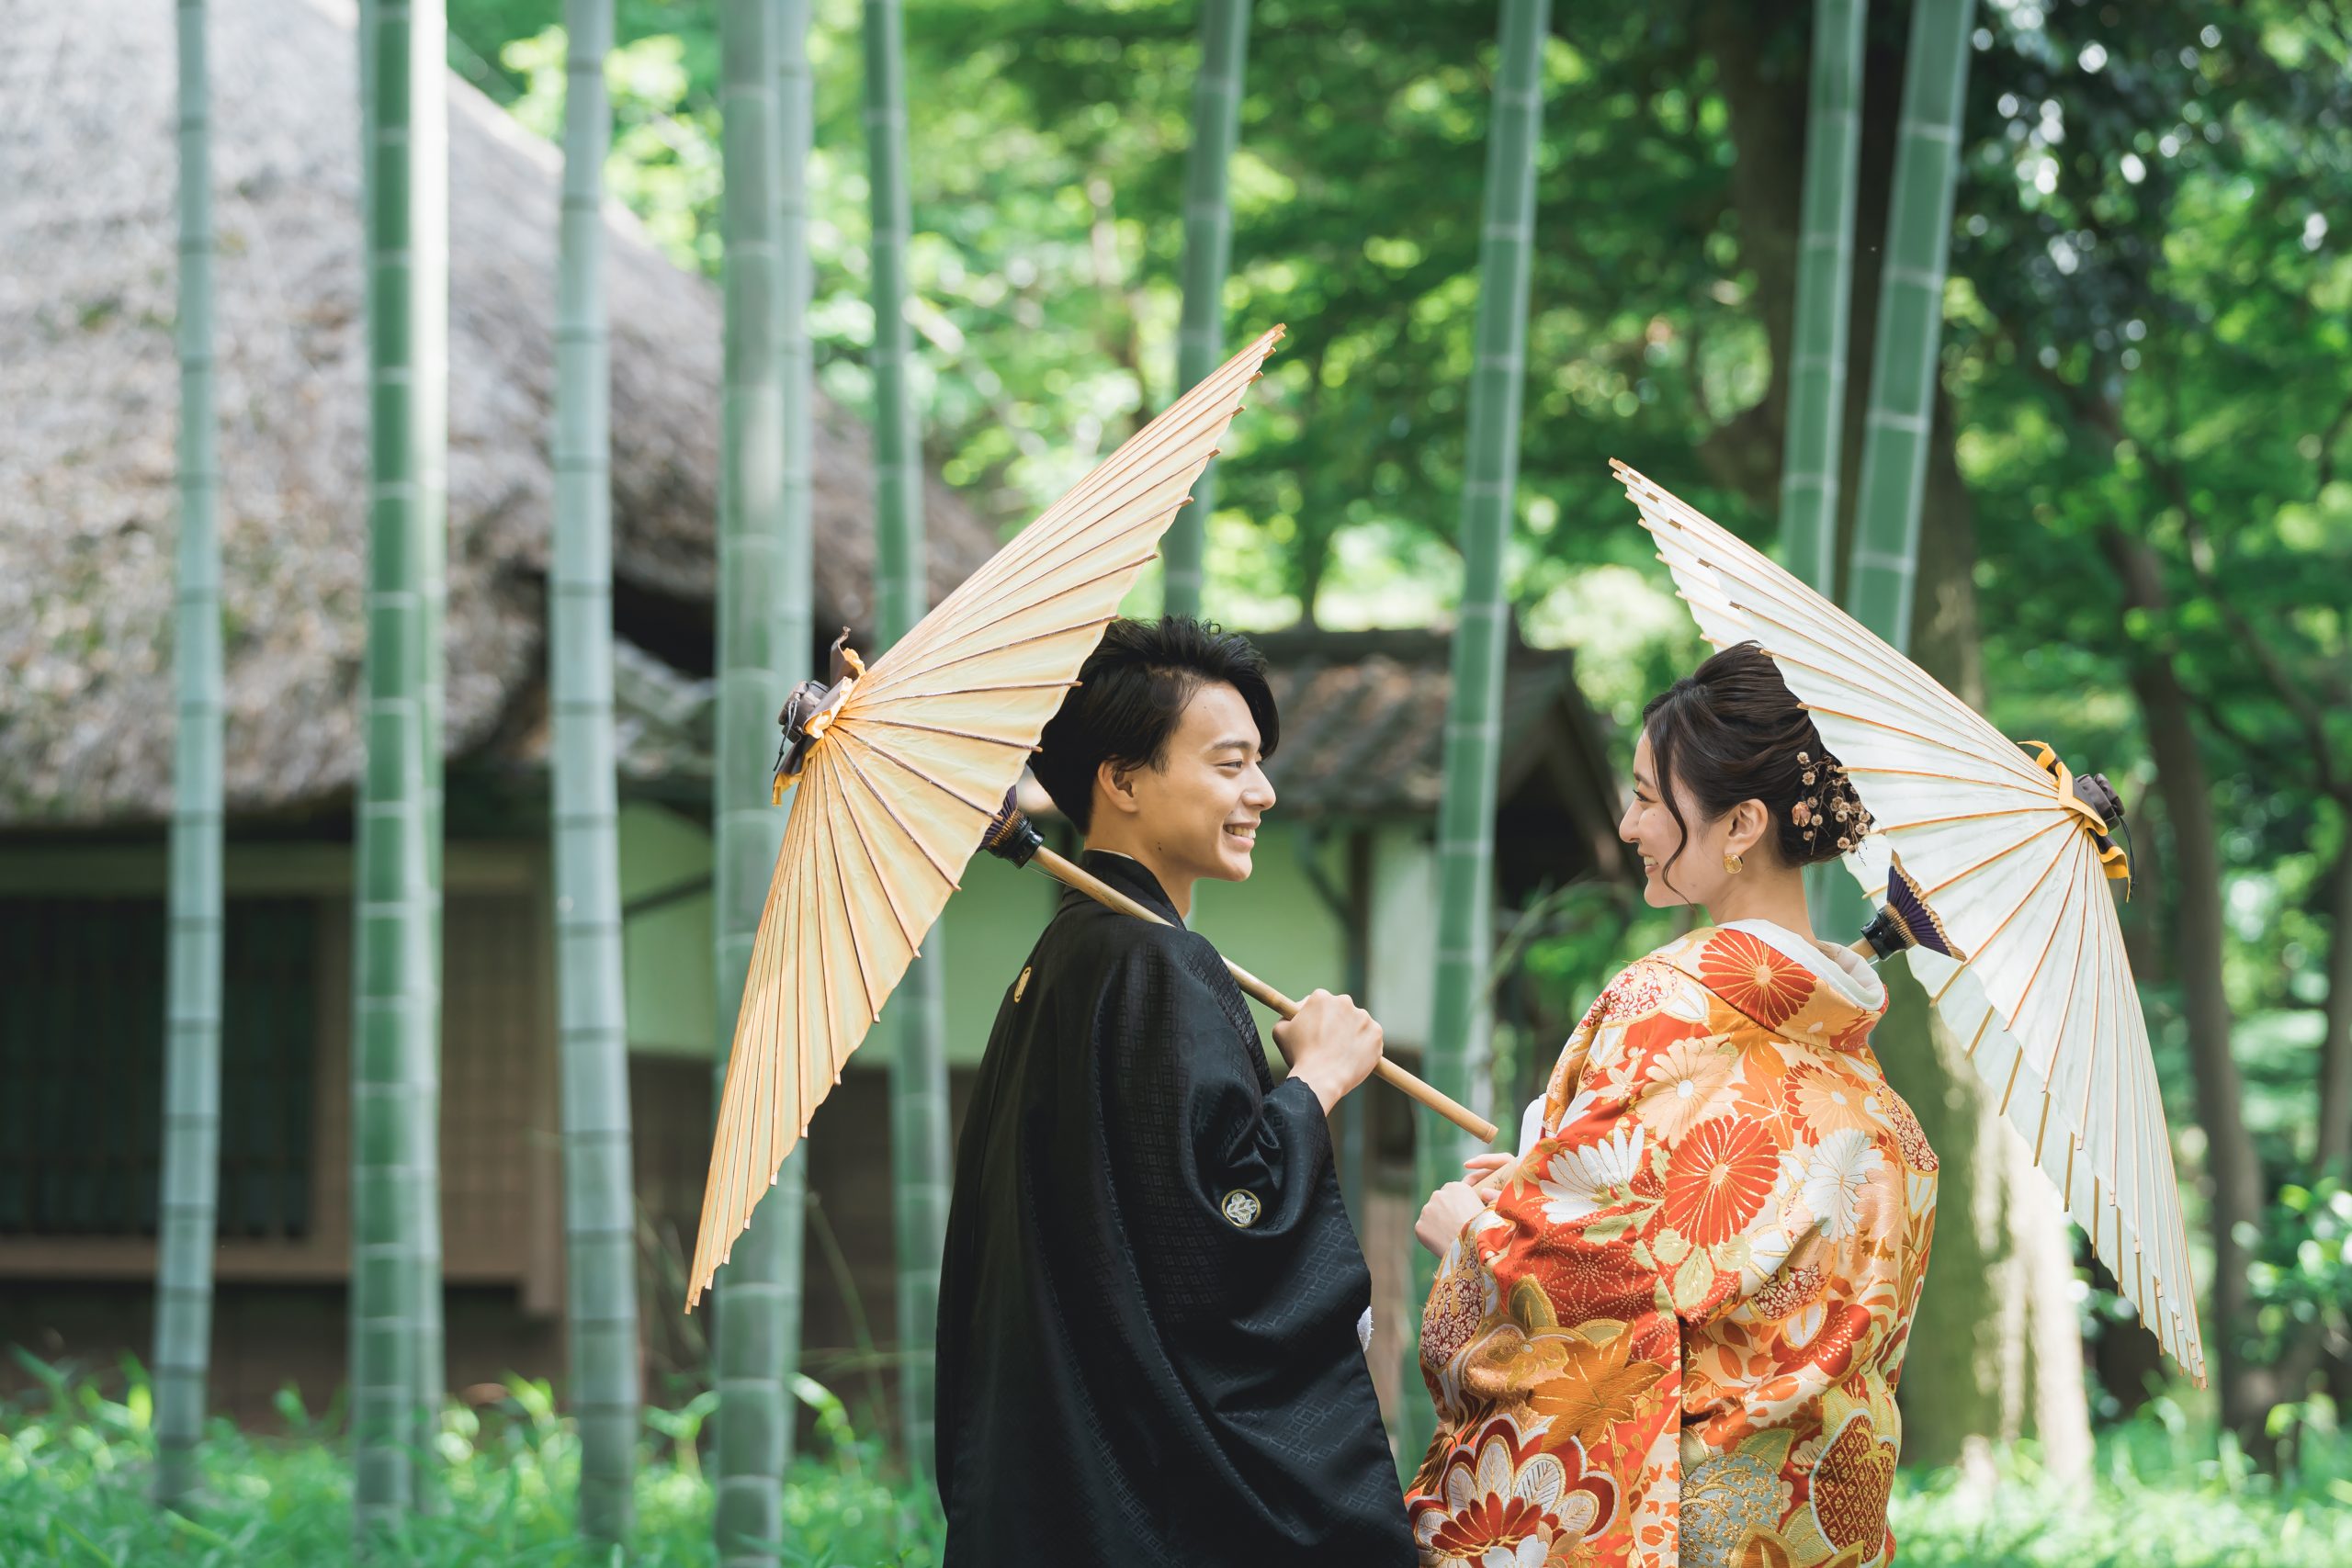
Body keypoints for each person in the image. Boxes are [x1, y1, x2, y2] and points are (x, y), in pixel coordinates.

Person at [1404, 641, 1938, 1568]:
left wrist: (1472, 1239)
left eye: (1649, 797)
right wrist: (1541, 1181)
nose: (1625, 824)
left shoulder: (1668, 1005)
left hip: (1684, 1528)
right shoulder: (1880, 1106)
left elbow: (1585, 1277)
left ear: (1740, 825)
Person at [933, 616, 1417, 1567]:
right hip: (1138, 1492)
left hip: (1061, 1472)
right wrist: (1316, 1079)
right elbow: (1224, 1224)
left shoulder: (1066, 957)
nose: (1262, 792)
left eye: (1259, 764)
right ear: (1121, 781)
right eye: (1230, 764)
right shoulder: (1156, 962)